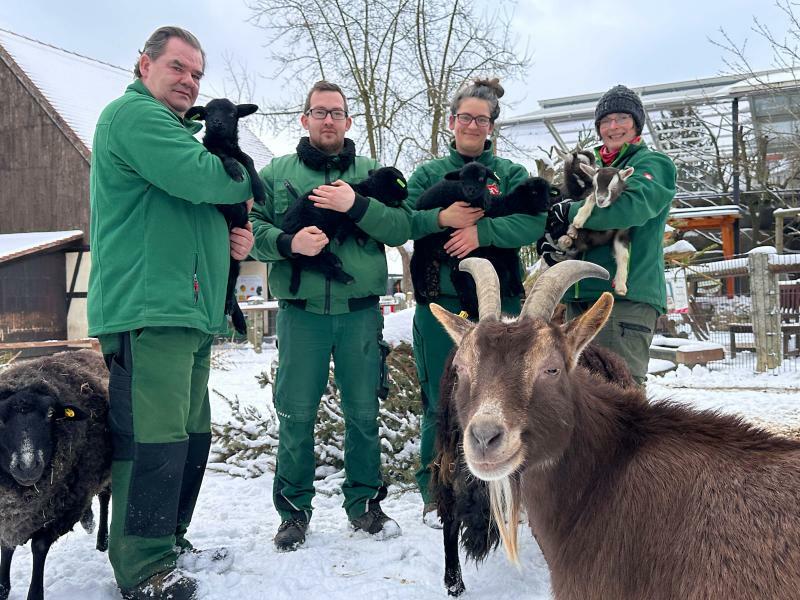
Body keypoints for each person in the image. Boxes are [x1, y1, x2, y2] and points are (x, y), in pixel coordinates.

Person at [87, 26, 255, 600]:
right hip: (148, 309)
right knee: (152, 439)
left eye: (197, 75)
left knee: (190, 436)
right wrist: (235, 183)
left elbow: (208, 201)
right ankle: (142, 566)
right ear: (144, 65)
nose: (189, 82)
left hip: (188, 312)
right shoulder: (135, 118)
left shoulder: (179, 131)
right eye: (179, 68)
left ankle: (170, 540)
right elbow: (203, 177)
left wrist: (237, 236)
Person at [250, 81, 411, 551]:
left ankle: (364, 504)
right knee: (296, 415)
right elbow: (249, 228)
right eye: (319, 112)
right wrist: (288, 243)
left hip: (360, 314)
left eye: (336, 112)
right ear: (304, 119)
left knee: (363, 413)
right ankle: (293, 512)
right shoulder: (276, 173)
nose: (328, 120)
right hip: (301, 317)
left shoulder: (373, 172)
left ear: (348, 121)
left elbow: (401, 225)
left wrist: (356, 205)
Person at [406, 78, 546, 527]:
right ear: (452, 123)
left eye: (480, 120)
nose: (471, 125)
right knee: (441, 398)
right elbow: (405, 219)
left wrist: (480, 233)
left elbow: (532, 223)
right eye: (464, 117)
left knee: (510, 398)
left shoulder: (512, 174)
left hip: (500, 309)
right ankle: (438, 492)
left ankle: (511, 491)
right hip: (443, 304)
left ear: (491, 127)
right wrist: (441, 218)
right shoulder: (429, 175)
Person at [540, 84, 677, 386]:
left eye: (622, 118)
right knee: (580, 397)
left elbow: (629, 206)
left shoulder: (650, 164)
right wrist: (555, 245)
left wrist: (571, 211)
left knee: (619, 393)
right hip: (580, 297)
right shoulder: (592, 170)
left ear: (636, 123)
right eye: (605, 121)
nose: (613, 126)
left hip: (622, 300)